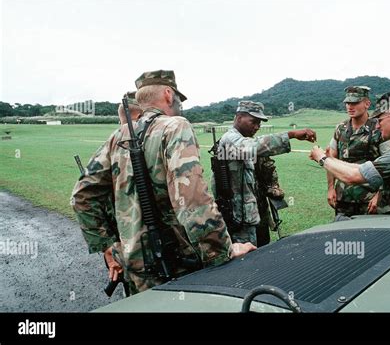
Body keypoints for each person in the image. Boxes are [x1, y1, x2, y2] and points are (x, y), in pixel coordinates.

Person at [72, 70, 255, 295]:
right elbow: (192, 200)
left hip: (135, 268)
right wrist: (222, 253)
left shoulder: (118, 136)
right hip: (178, 265)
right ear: (168, 94)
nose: (180, 105)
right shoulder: (176, 126)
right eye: (179, 98)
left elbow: (82, 195)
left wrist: (107, 245)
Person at [310, 88, 390, 213]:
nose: (377, 125)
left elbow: (354, 175)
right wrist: (329, 161)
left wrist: (322, 158)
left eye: (380, 120)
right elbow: (359, 169)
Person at [215, 100, 316, 246]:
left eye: (259, 123)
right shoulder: (230, 139)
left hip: (252, 213)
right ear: (239, 118)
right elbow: (252, 147)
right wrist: (291, 134)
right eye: (253, 122)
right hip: (239, 218)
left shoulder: (243, 139)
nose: (257, 127)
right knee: (248, 259)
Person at [327, 86, 390, 220]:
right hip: (343, 197)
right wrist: (330, 188)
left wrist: (379, 196)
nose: (350, 107)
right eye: (347, 103)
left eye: (355, 103)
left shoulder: (379, 128)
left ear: (367, 104)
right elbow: (330, 159)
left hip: (368, 199)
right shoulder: (341, 129)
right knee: (342, 233)